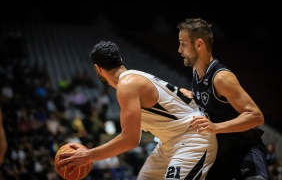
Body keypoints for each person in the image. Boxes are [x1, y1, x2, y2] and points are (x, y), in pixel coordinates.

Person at [57, 40, 218, 179]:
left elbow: (130, 140)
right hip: (171, 142)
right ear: (120, 60)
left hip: (193, 138)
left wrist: (89, 155)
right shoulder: (134, 79)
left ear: (97, 69)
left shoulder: (127, 86)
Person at [177, 18, 269, 180]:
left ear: (199, 45)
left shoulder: (221, 78)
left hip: (244, 150)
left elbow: (256, 117)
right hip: (221, 154)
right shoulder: (196, 74)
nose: (179, 49)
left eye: (183, 43)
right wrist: (192, 95)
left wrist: (216, 127)